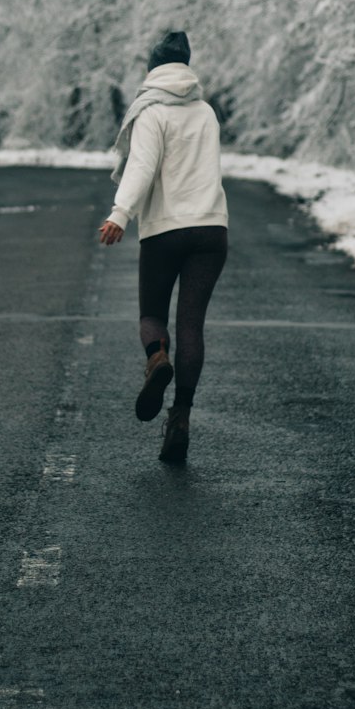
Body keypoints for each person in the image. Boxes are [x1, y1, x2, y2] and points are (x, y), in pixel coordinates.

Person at [99, 30, 228, 464]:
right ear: (187, 68)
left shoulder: (151, 112)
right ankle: (181, 418)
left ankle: (157, 358)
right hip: (212, 231)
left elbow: (142, 166)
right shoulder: (206, 112)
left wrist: (120, 214)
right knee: (192, 325)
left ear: (152, 69)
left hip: (165, 231)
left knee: (153, 315)